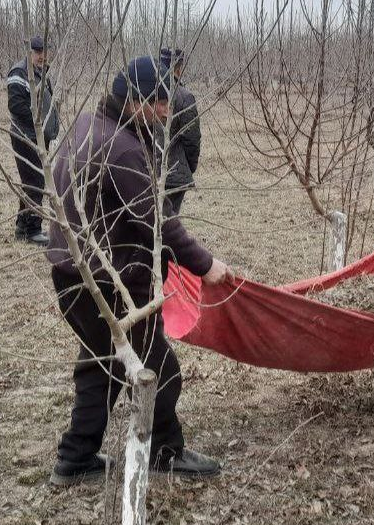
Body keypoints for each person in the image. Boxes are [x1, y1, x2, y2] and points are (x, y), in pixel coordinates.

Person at [45, 56, 233, 484]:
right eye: (159, 102)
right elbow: (158, 223)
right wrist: (205, 265)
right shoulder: (123, 148)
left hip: (72, 274)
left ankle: (75, 459)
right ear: (133, 101)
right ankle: (164, 452)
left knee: (103, 364)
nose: (166, 111)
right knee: (158, 368)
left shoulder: (87, 125)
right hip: (110, 281)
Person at [7, 36, 59, 245]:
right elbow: (16, 106)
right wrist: (38, 123)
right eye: (38, 52)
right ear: (29, 52)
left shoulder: (42, 73)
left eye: (45, 52)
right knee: (35, 182)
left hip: (39, 137)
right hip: (25, 136)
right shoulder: (19, 73)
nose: (42, 56)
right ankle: (32, 230)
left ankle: (22, 227)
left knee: (32, 181)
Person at [159, 47, 201, 216]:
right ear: (179, 68)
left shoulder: (145, 93)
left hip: (146, 170)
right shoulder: (185, 97)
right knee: (169, 222)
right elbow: (192, 139)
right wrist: (189, 167)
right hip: (174, 173)